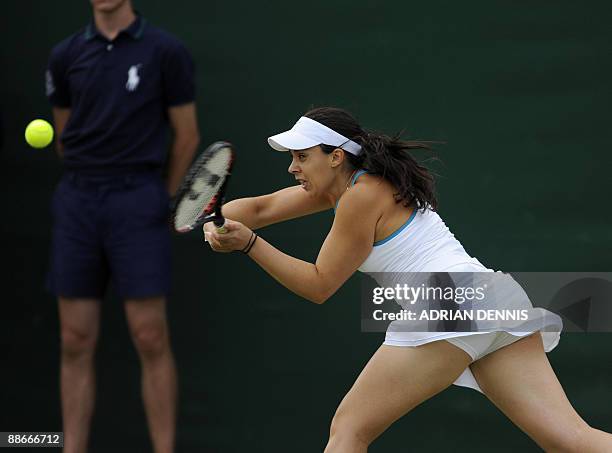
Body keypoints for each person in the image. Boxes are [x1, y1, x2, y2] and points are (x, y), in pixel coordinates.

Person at [204, 107, 612, 452]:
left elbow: (319, 284)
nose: (293, 167)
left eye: (301, 156)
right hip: (493, 297)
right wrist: (217, 218)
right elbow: (259, 207)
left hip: (446, 304)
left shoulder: (360, 198)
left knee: (349, 429)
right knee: (572, 440)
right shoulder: (351, 185)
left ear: (334, 157)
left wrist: (250, 245)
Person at [45, 1, 200, 452]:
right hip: (78, 202)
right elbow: (64, 137)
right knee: (74, 337)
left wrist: (163, 200)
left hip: (139, 201)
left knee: (150, 334)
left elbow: (187, 134)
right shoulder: (65, 55)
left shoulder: (165, 51)